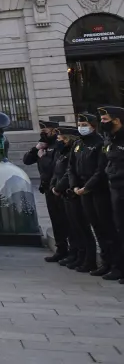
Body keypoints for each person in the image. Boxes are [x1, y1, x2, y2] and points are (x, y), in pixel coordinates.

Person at [70, 112, 116, 278]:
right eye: (79, 125)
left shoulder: (99, 143)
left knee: (106, 227)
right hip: (83, 190)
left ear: (93, 126)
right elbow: (71, 167)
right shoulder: (78, 144)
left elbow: (101, 169)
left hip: (98, 190)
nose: (81, 128)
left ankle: (114, 263)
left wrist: (87, 187)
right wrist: (75, 185)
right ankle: (105, 262)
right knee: (96, 227)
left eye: (85, 125)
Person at [25, 120, 70, 263]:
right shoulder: (44, 145)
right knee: (55, 220)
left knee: (65, 220)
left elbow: (53, 167)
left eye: (45, 131)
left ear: (54, 131)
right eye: (41, 131)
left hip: (59, 188)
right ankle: (61, 249)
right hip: (47, 188)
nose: (43, 134)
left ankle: (71, 250)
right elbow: (27, 160)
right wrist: (35, 149)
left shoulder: (58, 146)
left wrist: (42, 157)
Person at [53, 123, 87, 269]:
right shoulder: (63, 152)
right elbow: (57, 171)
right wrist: (54, 186)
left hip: (73, 192)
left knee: (79, 227)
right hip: (64, 193)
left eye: (60, 138)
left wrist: (61, 187)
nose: (58, 141)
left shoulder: (72, 151)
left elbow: (70, 172)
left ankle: (84, 257)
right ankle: (76, 254)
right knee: (72, 227)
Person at [100, 105, 124, 284]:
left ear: (117, 120)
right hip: (114, 189)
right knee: (118, 229)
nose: (102, 122)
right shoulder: (109, 138)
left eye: (105, 119)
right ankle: (119, 267)